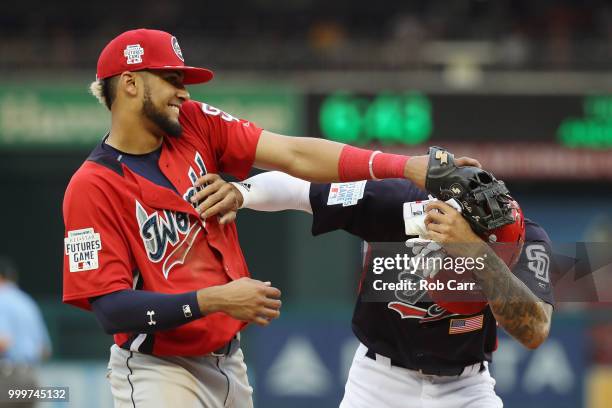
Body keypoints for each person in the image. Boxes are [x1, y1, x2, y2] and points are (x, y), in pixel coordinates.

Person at [62, 28, 480, 407]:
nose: (183, 92)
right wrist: (215, 299)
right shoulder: (92, 187)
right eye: (171, 79)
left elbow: (295, 154)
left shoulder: (194, 124)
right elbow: (112, 310)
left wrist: (404, 167)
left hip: (229, 364)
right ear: (130, 83)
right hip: (158, 370)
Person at [228, 170, 555, 408]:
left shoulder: (526, 237)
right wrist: (240, 192)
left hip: (467, 387)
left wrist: (476, 253)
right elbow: (299, 192)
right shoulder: (399, 205)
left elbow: (535, 330)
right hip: (378, 382)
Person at [0, 256, 52, 408]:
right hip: (30, 378)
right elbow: (45, 350)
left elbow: (3, 342)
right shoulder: (28, 302)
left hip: (7, 378)